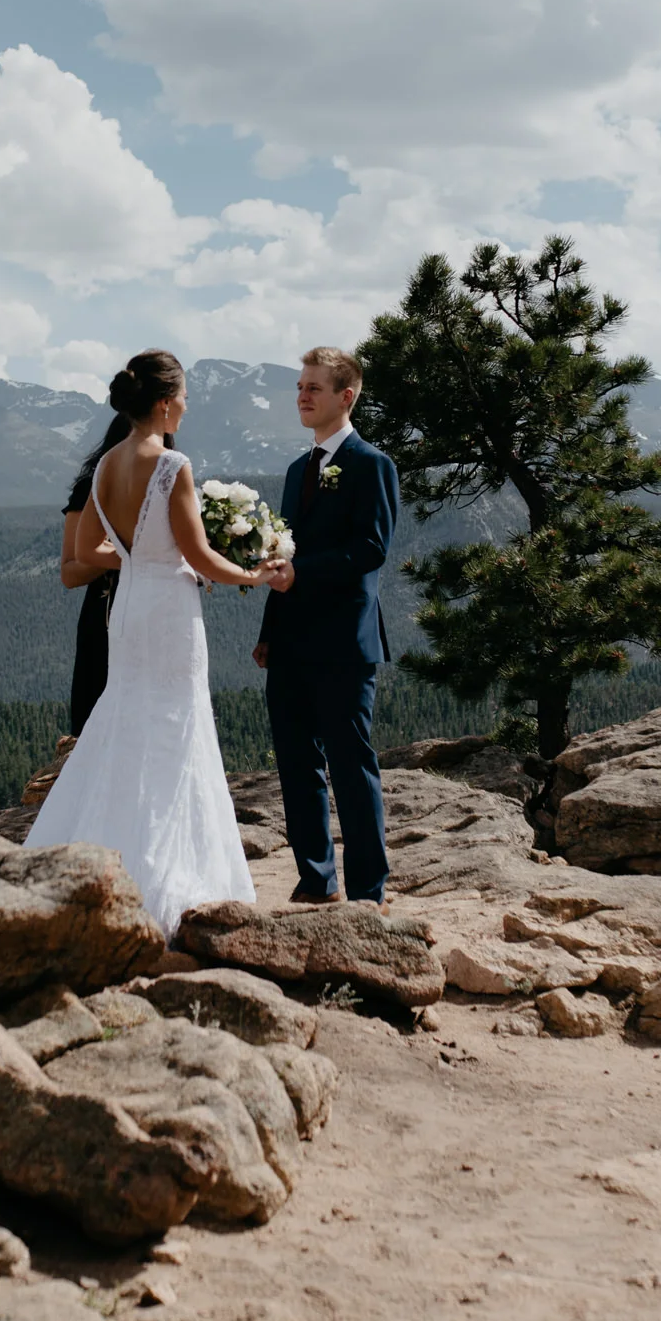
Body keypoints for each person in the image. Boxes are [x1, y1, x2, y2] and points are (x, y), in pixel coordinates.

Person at [28, 350, 284, 933]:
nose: (187, 407)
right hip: (168, 610)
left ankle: (98, 850)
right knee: (175, 726)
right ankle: (167, 874)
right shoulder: (172, 466)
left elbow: (87, 553)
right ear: (165, 403)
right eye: (185, 397)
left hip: (129, 609)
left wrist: (138, 555)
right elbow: (198, 555)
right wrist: (255, 574)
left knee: (124, 718)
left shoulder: (105, 466)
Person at [253, 348, 401, 905]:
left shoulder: (371, 464)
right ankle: (316, 879)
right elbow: (282, 552)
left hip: (344, 640)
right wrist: (270, 629)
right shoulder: (297, 471)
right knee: (296, 765)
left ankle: (368, 890)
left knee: (350, 764)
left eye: (314, 387)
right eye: (299, 387)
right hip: (290, 640)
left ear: (347, 395)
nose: (302, 396)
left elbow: (372, 549)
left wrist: (301, 574)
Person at [59, 414, 133, 737]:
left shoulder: (167, 483)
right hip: (103, 626)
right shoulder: (88, 490)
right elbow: (70, 572)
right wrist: (123, 555)